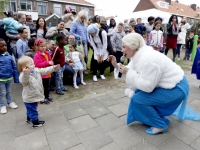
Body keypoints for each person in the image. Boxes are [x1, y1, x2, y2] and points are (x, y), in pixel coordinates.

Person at [108, 33, 189, 135]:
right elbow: (128, 70)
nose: (122, 50)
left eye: (124, 47)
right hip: (173, 84)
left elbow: (147, 86)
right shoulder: (139, 54)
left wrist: (128, 72)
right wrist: (115, 65)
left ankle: (159, 125)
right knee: (137, 93)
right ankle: (154, 116)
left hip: (176, 87)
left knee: (137, 99)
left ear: (133, 46)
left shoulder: (147, 60)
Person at [18, 56, 60, 128]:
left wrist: (53, 68)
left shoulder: (36, 70)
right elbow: (24, 82)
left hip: (35, 95)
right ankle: (35, 122)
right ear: (24, 68)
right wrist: (25, 74)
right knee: (33, 110)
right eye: (31, 64)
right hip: (29, 97)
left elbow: (44, 70)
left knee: (30, 109)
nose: (34, 65)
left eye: (33, 63)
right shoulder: (23, 76)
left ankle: (29, 118)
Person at [0, 38, 19, 114]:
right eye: (2, 46)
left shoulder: (9, 56)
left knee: (8, 91)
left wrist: (16, 78)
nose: (4, 47)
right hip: (1, 79)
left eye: (5, 45)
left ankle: (10, 102)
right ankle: (2, 105)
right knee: (2, 93)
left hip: (9, 78)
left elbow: (14, 67)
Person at [34, 38, 54, 104]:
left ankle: (47, 96)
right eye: (41, 46)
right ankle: (42, 98)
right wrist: (47, 63)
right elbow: (37, 65)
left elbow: (50, 60)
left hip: (48, 73)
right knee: (42, 86)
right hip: (42, 74)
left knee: (47, 86)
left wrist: (52, 64)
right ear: (37, 47)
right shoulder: (37, 55)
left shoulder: (47, 53)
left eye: (44, 46)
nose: (43, 48)